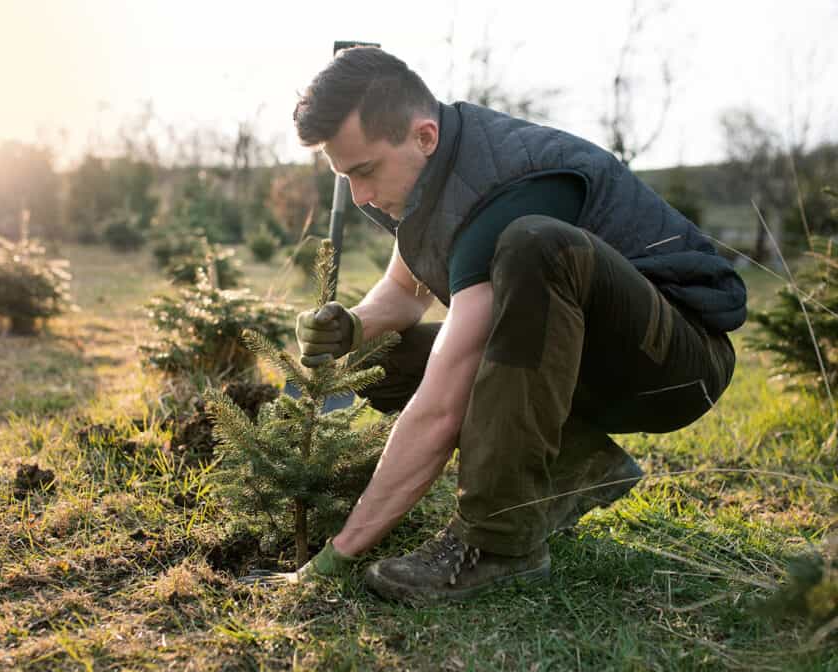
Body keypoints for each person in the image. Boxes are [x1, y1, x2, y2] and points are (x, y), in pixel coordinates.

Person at [279, 47, 745, 601]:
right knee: (380, 357)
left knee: (536, 244)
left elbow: (443, 402)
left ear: (423, 136)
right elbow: (406, 289)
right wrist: (353, 327)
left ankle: (498, 542)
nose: (360, 196)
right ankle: (576, 463)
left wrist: (343, 550)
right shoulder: (434, 167)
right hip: (582, 354)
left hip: (674, 361)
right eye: (345, 176)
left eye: (365, 171)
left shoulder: (503, 185)